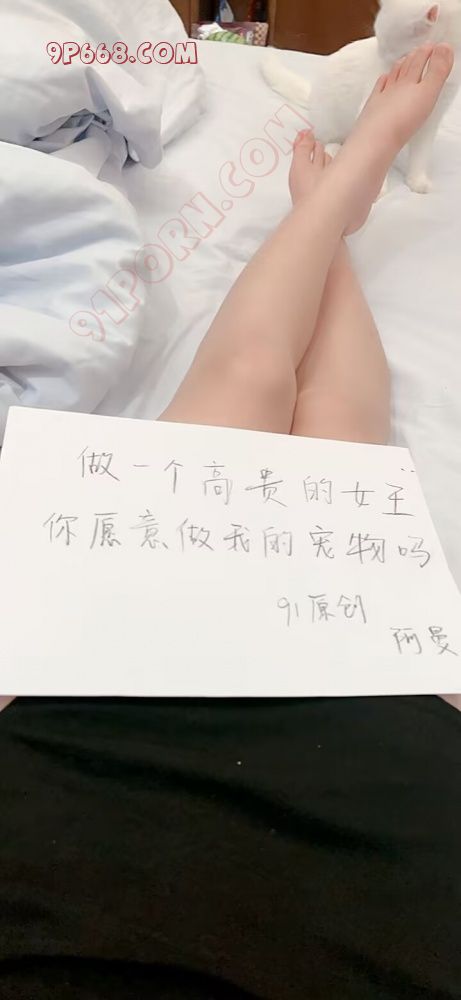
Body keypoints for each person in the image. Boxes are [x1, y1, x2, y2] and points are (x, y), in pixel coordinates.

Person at [0, 45, 460, 1000]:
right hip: (384, 817)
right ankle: (333, 207)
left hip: (82, 751)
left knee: (251, 393)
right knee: (335, 436)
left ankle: (328, 207)